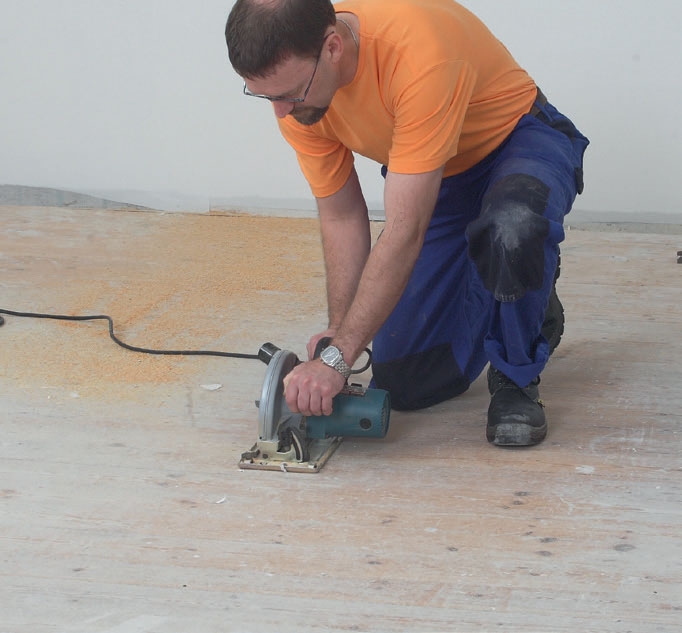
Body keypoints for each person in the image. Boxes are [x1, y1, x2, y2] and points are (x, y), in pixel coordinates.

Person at [225, 0, 589, 446]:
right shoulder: (299, 101)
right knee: (408, 382)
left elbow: (404, 230)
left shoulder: (417, 54)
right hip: (442, 177)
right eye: (266, 97)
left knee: (512, 227)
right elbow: (342, 216)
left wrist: (337, 361)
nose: (281, 112)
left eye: (290, 94)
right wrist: (339, 336)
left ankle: (517, 375)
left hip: (518, 142)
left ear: (333, 47)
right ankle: (512, 283)